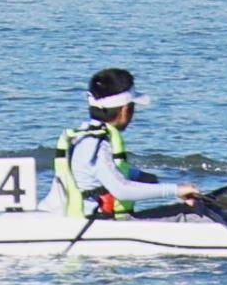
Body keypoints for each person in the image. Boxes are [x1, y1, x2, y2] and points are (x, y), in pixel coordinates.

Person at [50, 68, 203, 217]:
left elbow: (131, 175)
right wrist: (175, 190)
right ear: (125, 110)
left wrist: (178, 187)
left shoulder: (83, 136)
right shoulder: (97, 146)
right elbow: (121, 190)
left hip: (93, 221)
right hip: (97, 225)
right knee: (192, 216)